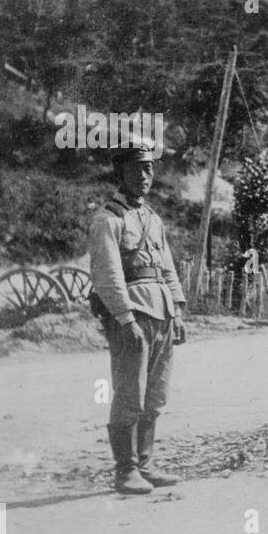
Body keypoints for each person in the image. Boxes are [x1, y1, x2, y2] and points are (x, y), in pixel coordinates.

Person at [88, 143, 188, 494]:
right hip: (133, 313)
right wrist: (125, 318)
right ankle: (125, 470)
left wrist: (177, 309)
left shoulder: (152, 218)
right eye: (136, 170)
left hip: (160, 311)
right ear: (121, 173)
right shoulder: (107, 220)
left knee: (156, 394)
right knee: (130, 392)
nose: (144, 176)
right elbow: (108, 275)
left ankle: (145, 465)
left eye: (148, 169)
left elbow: (167, 267)